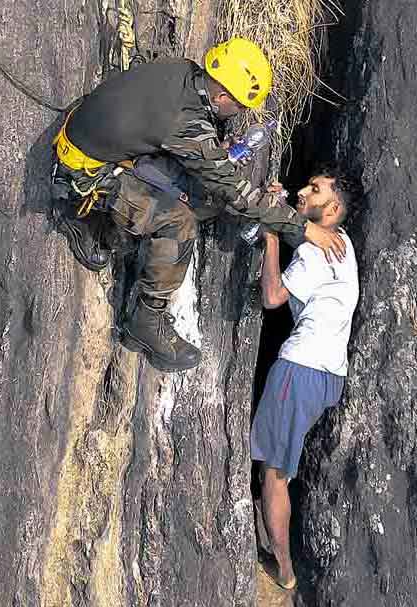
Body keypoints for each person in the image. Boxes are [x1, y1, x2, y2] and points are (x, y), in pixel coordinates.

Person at [50, 37, 346, 371]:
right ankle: (143, 319)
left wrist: (212, 153)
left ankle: (106, 225)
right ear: (222, 97)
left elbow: (177, 135)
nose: (241, 113)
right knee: (179, 223)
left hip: (98, 136)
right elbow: (235, 192)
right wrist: (304, 228)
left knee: (202, 196)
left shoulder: (182, 70)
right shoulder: (186, 124)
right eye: (240, 106)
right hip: (86, 172)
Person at [250, 167, 360, 590]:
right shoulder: (342, 243)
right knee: (283, 460)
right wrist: (282, 209)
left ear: (332, 209)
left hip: (300, 370)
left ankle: (284, 569)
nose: (303, 191)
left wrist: (270, 236)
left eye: (314, 190)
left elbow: (272, 296)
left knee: (274, 473)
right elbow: (306, 239)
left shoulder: (314, 255)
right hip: (330, 376)